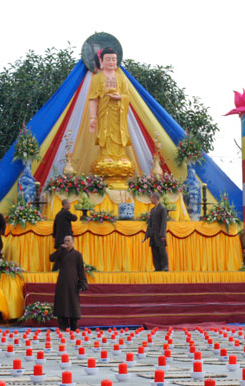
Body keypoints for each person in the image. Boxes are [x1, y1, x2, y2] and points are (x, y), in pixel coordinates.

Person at [88, 47, 134, 178]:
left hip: (119, 112)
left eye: (113, 59)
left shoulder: (121, 78)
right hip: (105, 112)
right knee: (106, 132)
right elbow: (93, 98)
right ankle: (106, 155)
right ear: (101, 61)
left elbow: (127, 96)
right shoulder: (97, 78)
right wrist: (92, 118)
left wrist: (120, 97)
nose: (111, 62)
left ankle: (121, 155)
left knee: (120, 132)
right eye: (108, 59)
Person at [49, 235, 87, 331]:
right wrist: (60, 250)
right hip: (62, 283)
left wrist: (83, 282)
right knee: (62, 303)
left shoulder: (77, 255)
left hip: (73, 283)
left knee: (73, 303)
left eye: (68, 240)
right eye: (65, 241)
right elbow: (51, 258)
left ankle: (74, 327)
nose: (66, 242)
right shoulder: (61, 253)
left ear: (73, 242)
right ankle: (63, 326)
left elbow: (81, 270)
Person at [144, 192, 169, 271]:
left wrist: (163, 234)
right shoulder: (152, 210)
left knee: (162, 250)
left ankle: (165, 266)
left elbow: (163, 223)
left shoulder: (162, 209)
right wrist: (147, 234)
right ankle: (157, 267)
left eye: (151, 198)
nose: (150, 200)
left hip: (159, 234)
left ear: (155, 198)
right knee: (154, 251)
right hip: (153, 234)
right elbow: (150, 223)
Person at [52, 200, 78, 271]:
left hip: (59, 239)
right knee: (64, 255)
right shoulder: (66, 213)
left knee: (61, 255)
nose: (70, 206)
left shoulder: (58, 214)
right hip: (65, 239)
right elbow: (74, 218)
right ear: (64, 205)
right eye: (68, 204)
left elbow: (54, 227)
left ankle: (56, 270)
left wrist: (54, 237)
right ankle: (56, 269)